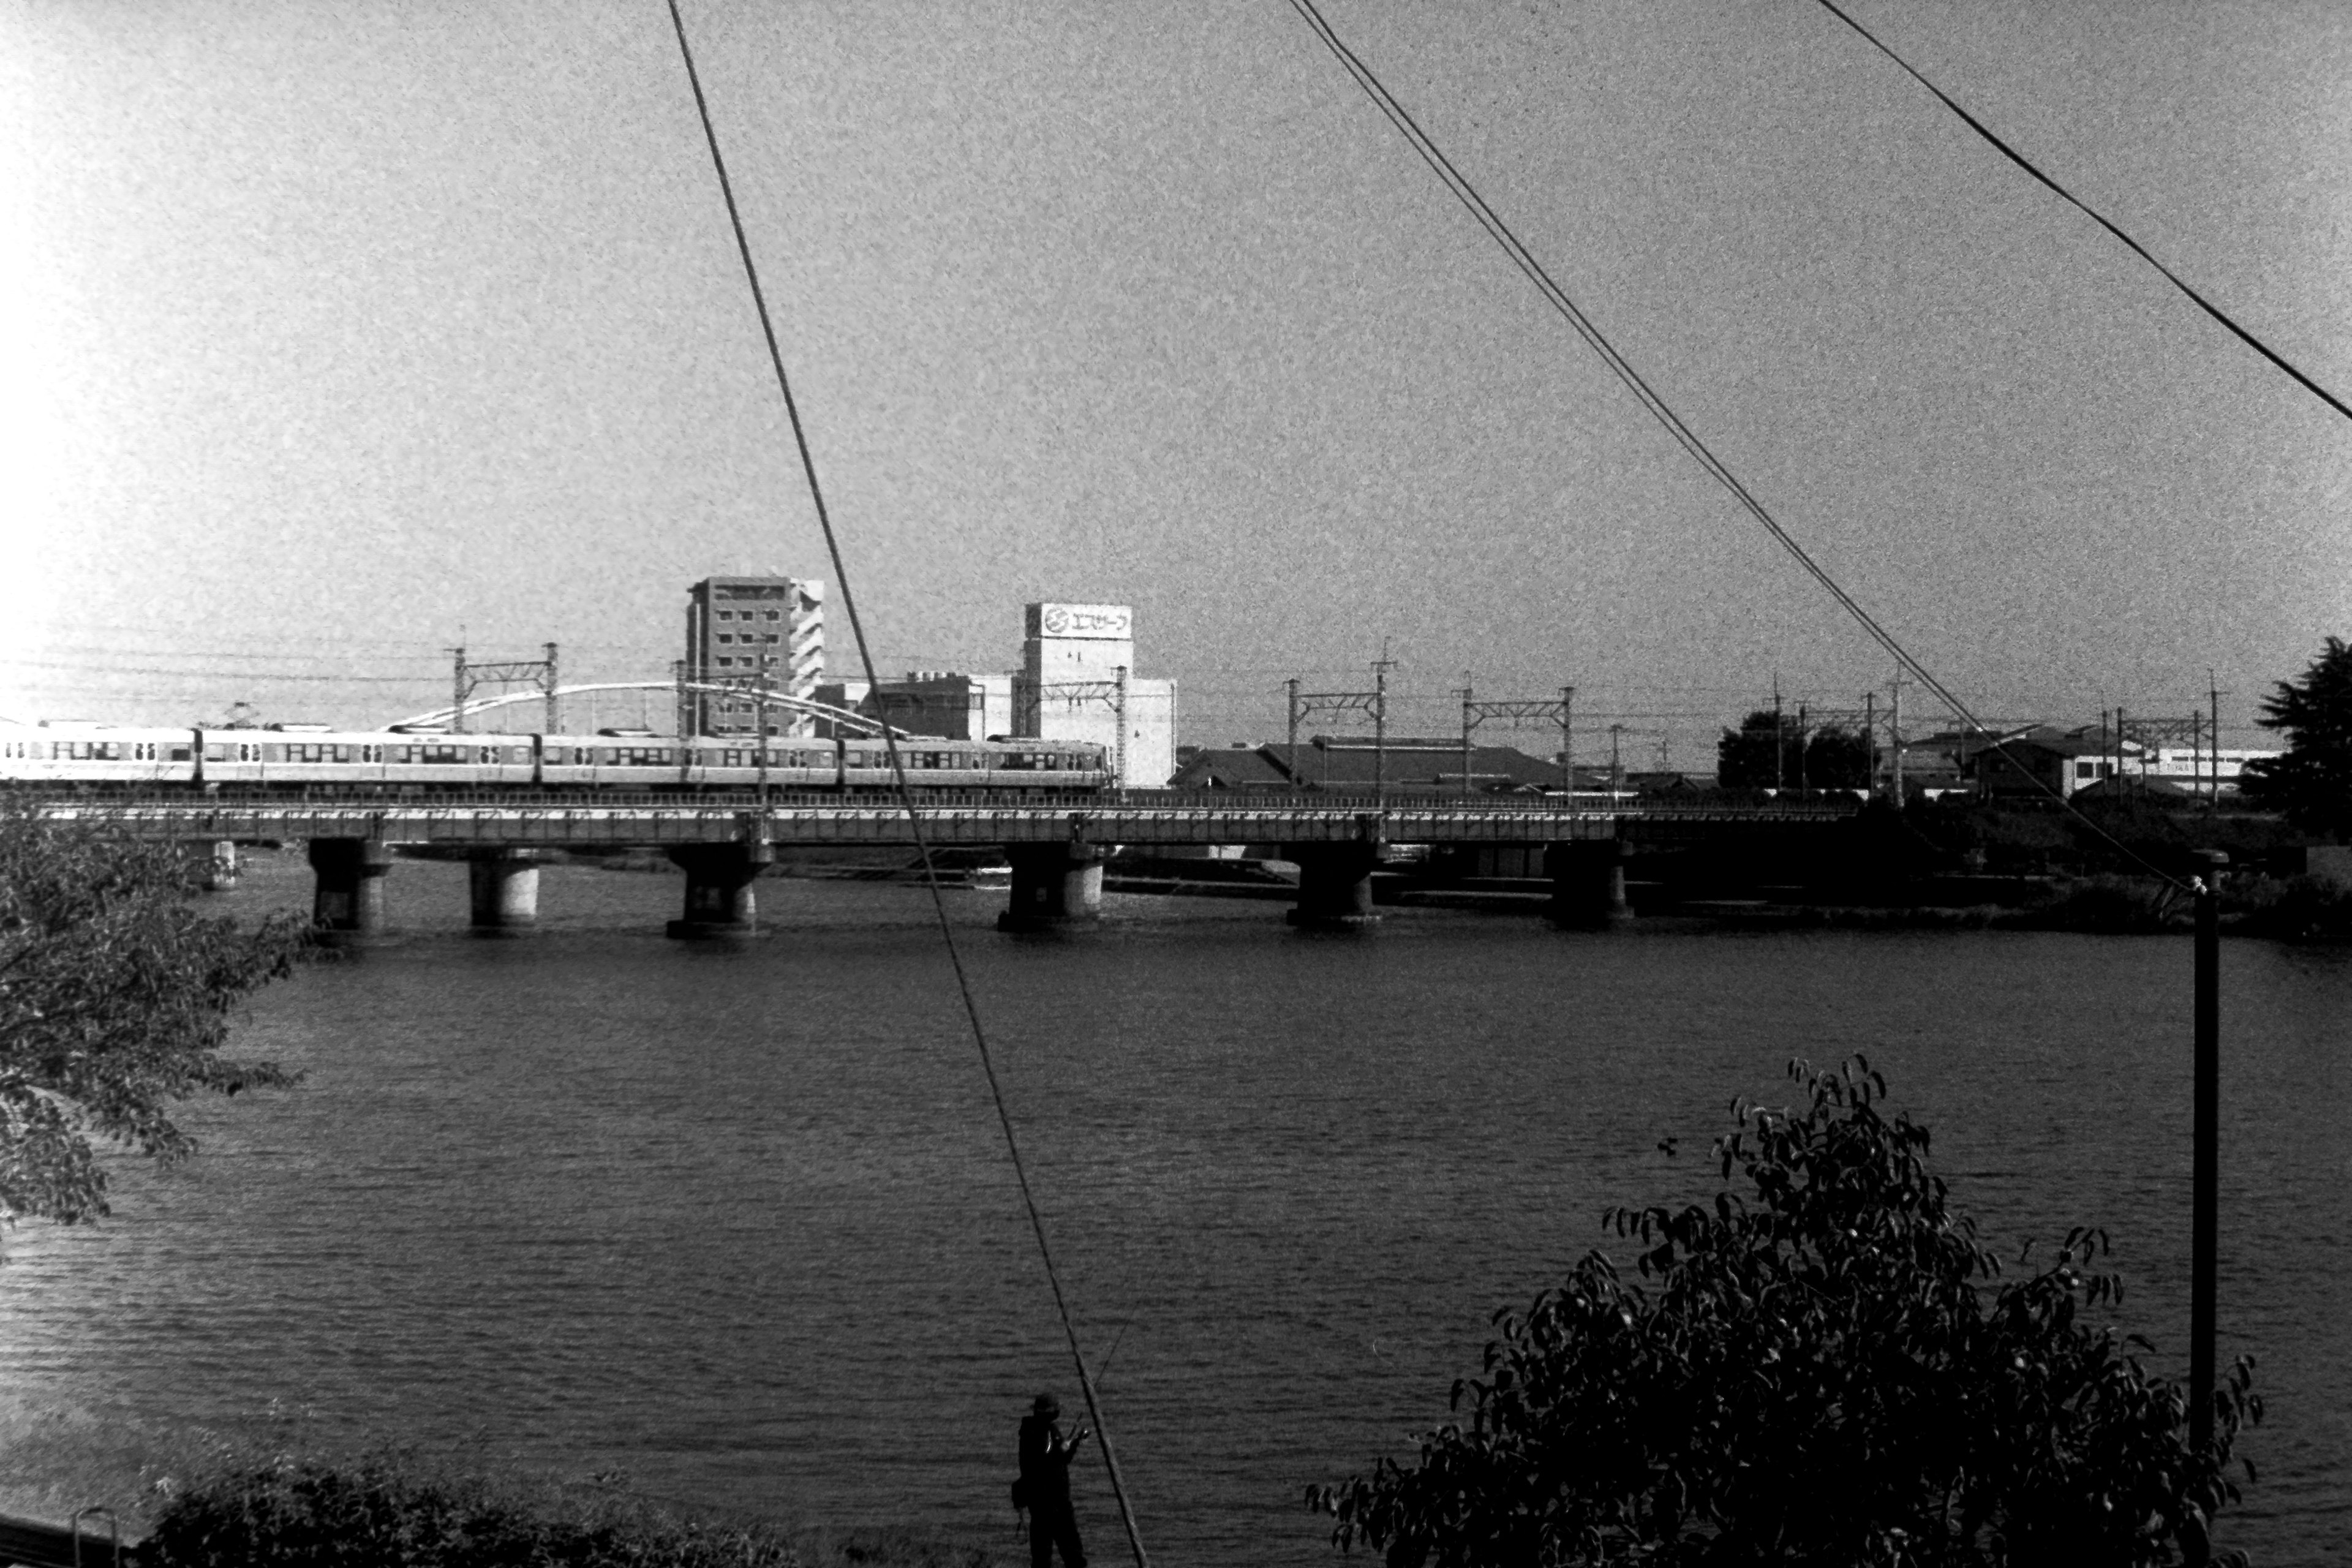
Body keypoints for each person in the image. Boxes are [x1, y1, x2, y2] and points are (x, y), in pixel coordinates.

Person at [1017, 1392, 1089, 1568]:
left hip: (1042, 1503)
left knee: (1043, 1556)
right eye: (1055, 1409)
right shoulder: (1040, 1432)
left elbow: (1060, 1459)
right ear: (1048, 1412)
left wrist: (1073, 1444)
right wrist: (1063, 1449)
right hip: (1053, 1504)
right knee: (1071, 1554)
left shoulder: (1040, 1430)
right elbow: (1046, 1462)